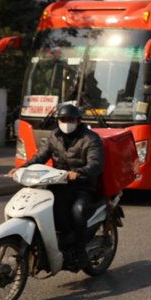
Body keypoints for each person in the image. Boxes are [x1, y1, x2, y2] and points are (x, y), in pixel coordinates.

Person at [9, 103, 103, 267]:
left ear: (79, 120)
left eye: (71, 119)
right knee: (41, 206)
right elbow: (39, 157)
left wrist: (78, 173)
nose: (66, 123)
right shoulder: (54, 136)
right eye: (63, 119)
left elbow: (96, 164)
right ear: (58, 121)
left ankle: (80, 252)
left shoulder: (90, 138)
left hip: (82, 186)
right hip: (58, 183)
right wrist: (20, 169)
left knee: (77, 211)